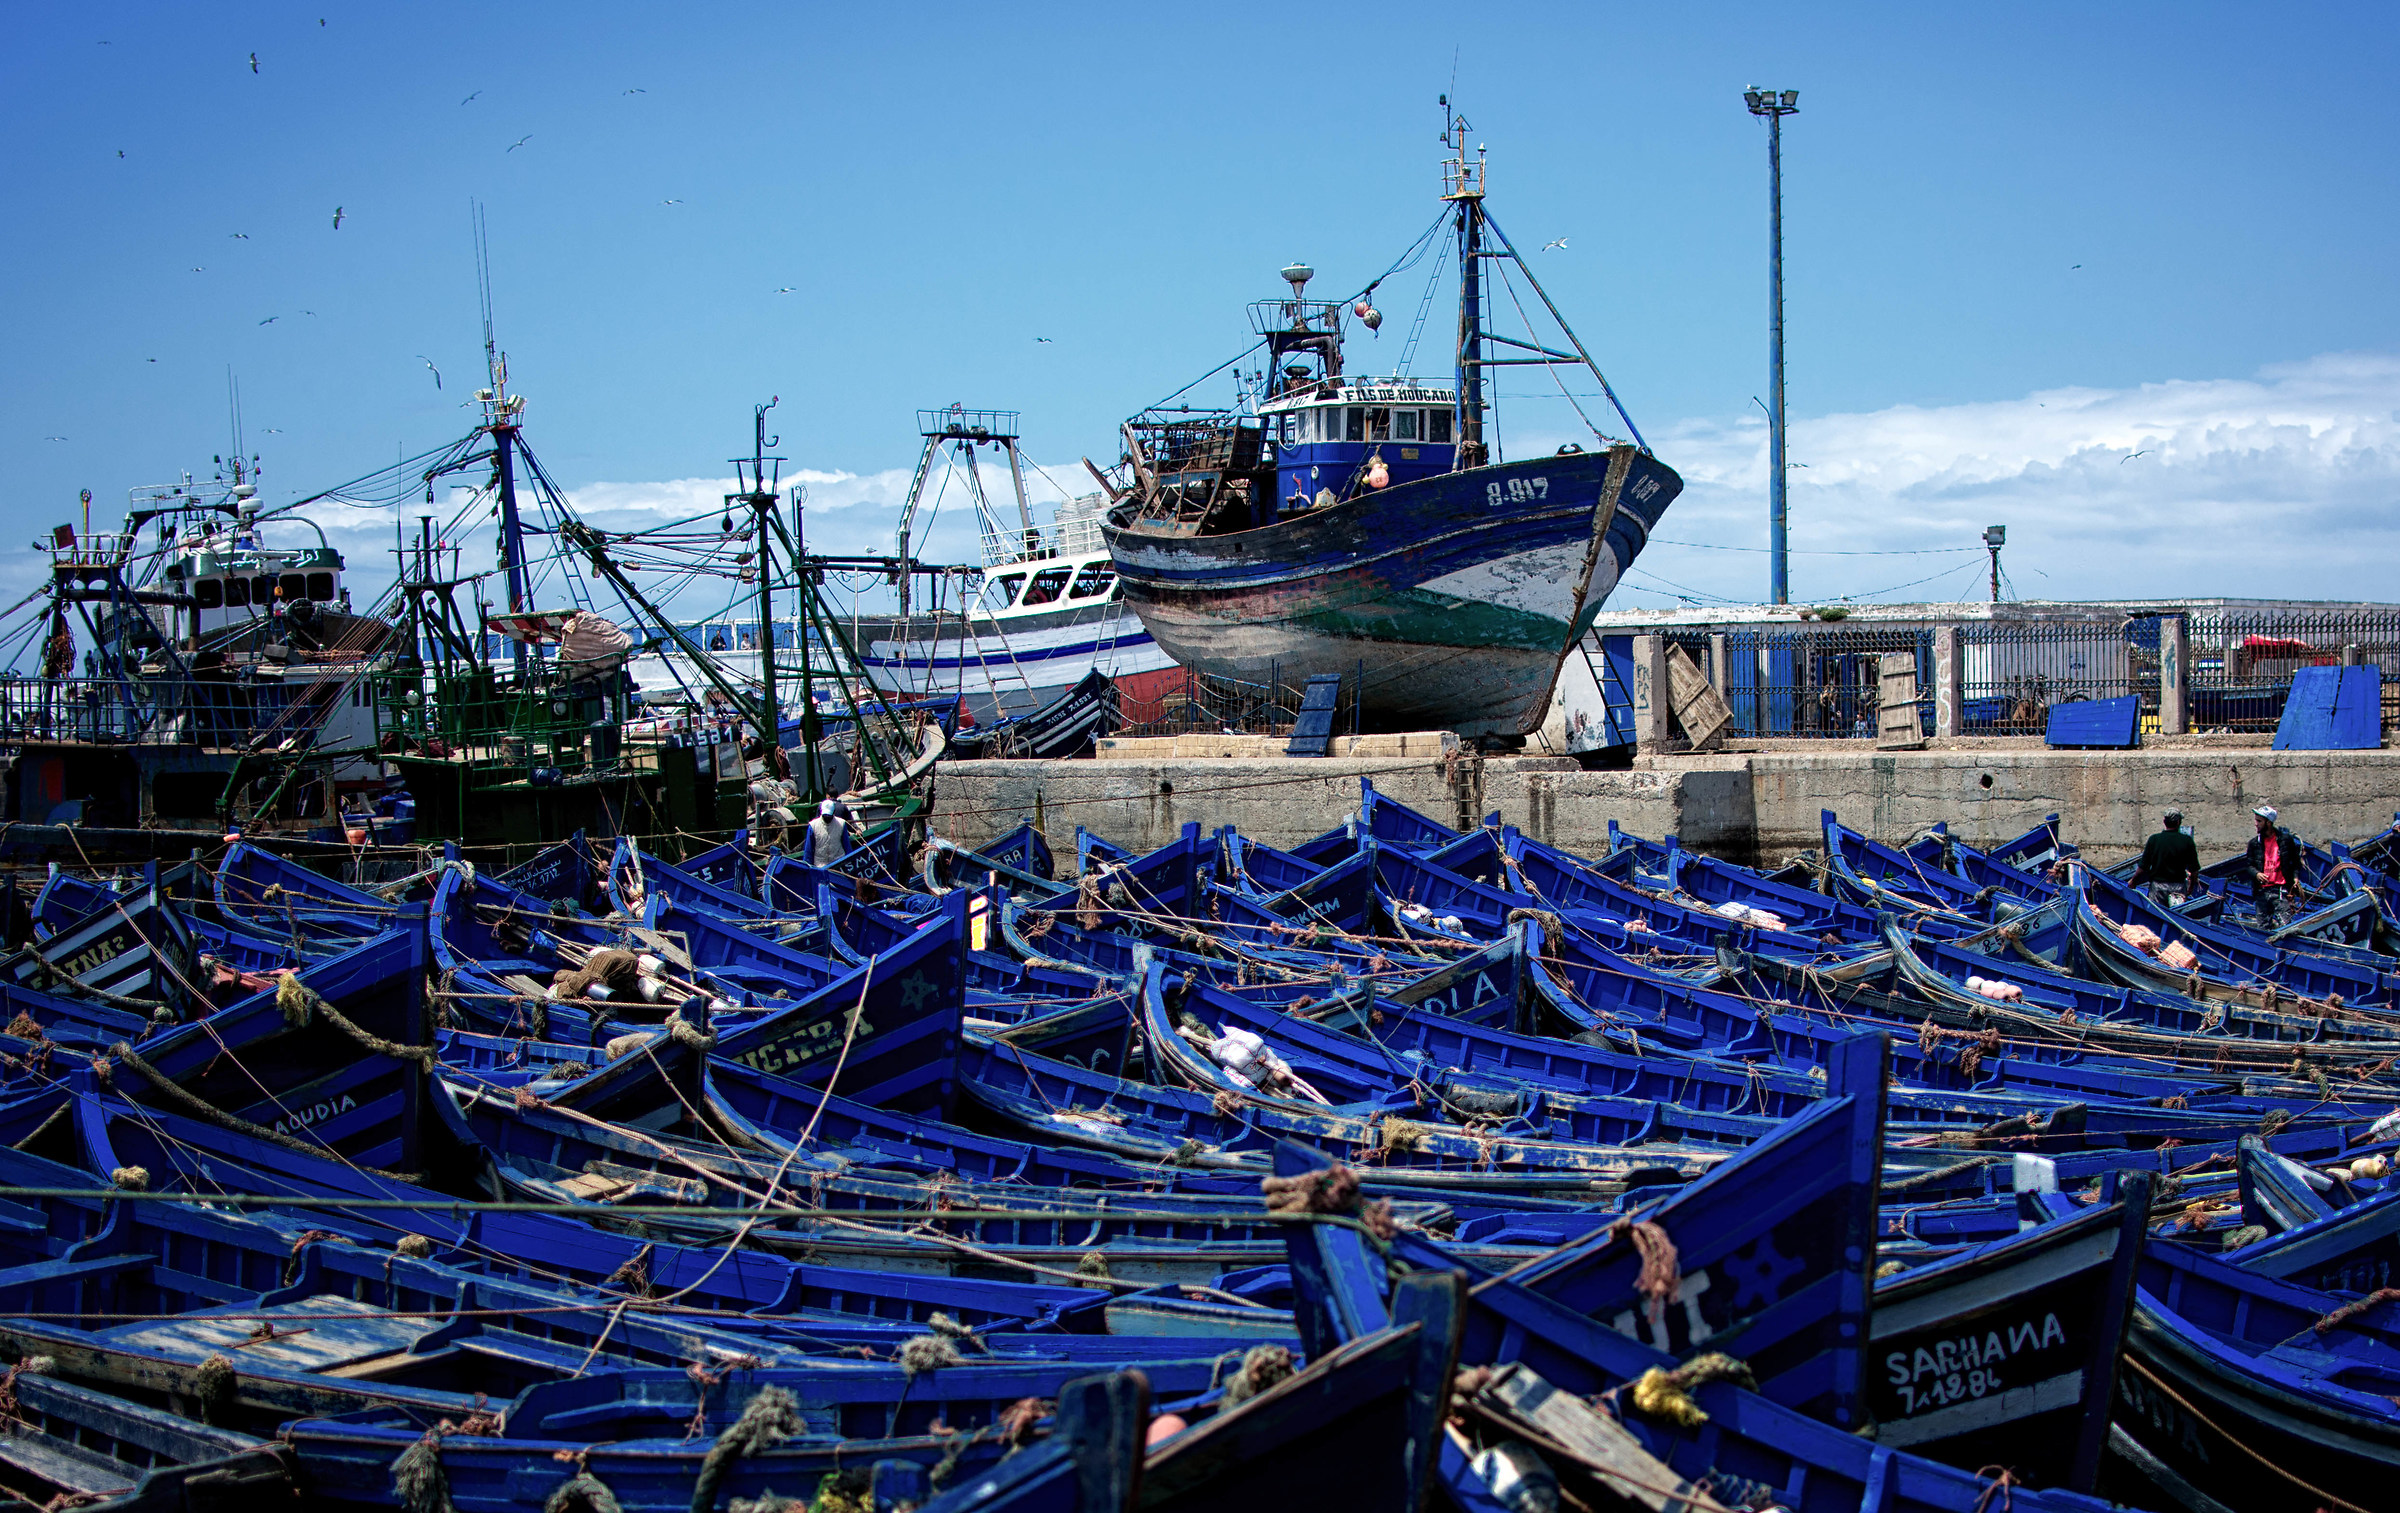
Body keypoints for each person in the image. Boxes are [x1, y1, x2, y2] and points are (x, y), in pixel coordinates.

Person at [2244, 805, 2302, 933]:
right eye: (2256, 820)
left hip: (2280, 891)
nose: (2256, 824)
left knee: (2286, 927)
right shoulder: (2254, 843)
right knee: (2263, 928)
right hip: (2261, 892)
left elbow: (2296, 862)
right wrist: (2257, 874)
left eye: (2259, 821)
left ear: (2268, 823)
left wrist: (2296, 877)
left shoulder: (2285, 840)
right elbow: (2248, 866)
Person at [2130, 810, 2201, 907]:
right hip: (2178, 887)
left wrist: (2133, 881)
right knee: (2177, 916)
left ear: (2164, 822)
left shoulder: (2154, 840)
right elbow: (2194, 870)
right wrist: (2191, 887)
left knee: (2156, 915)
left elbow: (2143, 867)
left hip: (2157, 888)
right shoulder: (2187, 841)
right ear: (2178, 822)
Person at [804, 798, 854, 868]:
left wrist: (851, 862)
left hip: (839, 864)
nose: (827, 817)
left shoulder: (841, 824)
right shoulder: (813, 826)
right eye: (825, 815)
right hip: (820, 866)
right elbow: (808, 850)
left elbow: (847, 845)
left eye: (829, 815)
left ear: (833, 812)